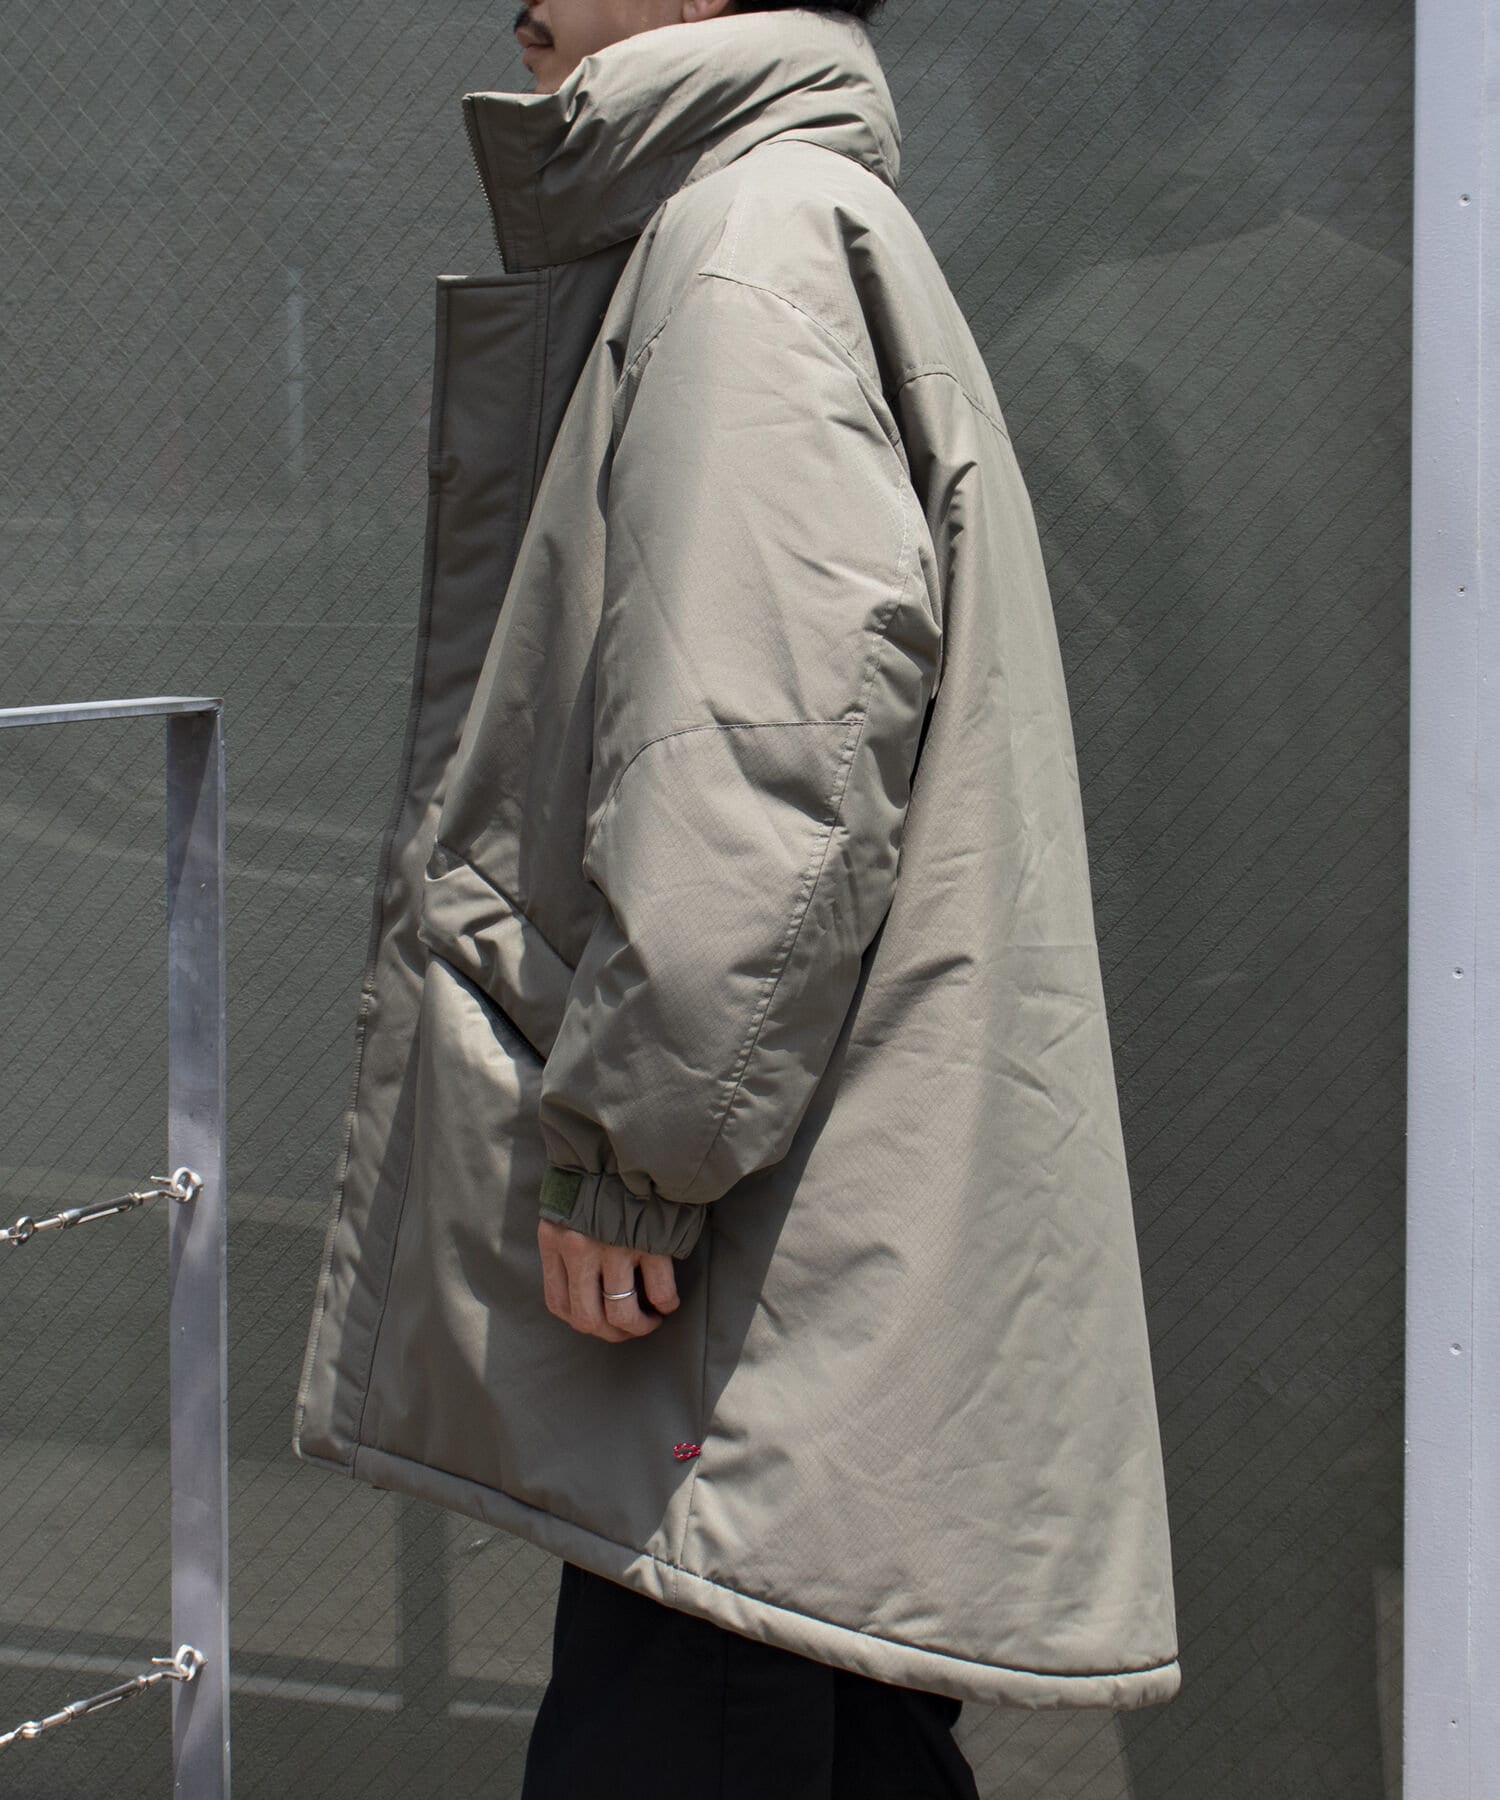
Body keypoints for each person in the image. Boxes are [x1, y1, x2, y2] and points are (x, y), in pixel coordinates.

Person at [294, 3, 1180, 1795]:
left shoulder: (744, 236)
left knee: (711, 1714)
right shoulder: (791, 222)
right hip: (803, 1298)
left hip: (748, 1297)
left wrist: (634, 1155)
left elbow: (765, 759)